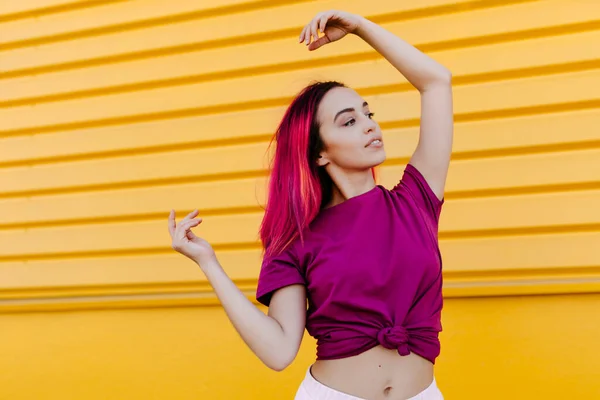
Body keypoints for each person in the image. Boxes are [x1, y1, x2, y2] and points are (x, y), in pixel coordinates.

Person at [168, 9, 453, 400]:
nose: (370, 125)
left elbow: (436, 83)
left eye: (368, 113)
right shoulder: (296, 240)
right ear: (318, 153)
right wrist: (208, 263)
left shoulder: (415, 200)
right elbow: (279, 350)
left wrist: (361, 28)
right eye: (348, 121)